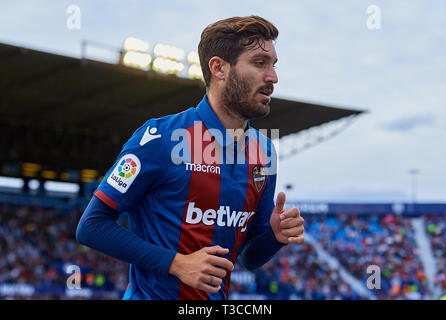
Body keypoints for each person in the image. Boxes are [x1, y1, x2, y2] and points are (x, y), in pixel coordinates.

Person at [76, 15, 304, 300]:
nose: (273, 77)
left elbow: (248, 257)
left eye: (273, 65)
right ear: (219, 68)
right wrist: (176, 263)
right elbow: (92, 226)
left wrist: (274, 236)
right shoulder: (159, 137)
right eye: (260, 63)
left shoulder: (264, 151)